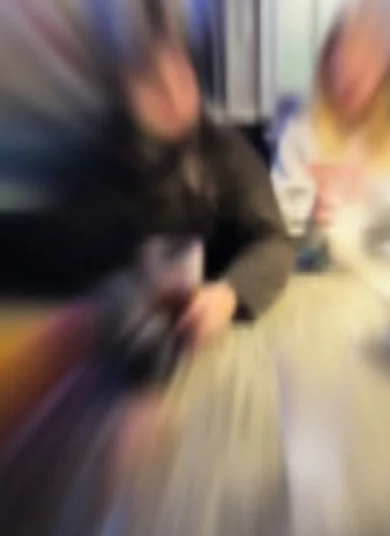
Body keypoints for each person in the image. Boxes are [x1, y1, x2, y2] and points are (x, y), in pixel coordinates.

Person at [64, 27, 294, 348]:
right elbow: (72, 259)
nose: (174, 96)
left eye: (182, 78)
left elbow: (273, 240)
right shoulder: (97, 161)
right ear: (126, 92)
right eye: (154, 83)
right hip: (125, 336)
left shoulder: (225, 150)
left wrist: (229, 294)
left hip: (221, 331)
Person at [271, 7, 390, 257]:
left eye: (368, 63)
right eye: (345, 63)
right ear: (328, 65)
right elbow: (276, 228)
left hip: (385, 264)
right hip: (322, 266)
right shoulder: (301, 131)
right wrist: (312, 221)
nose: (354, 76)